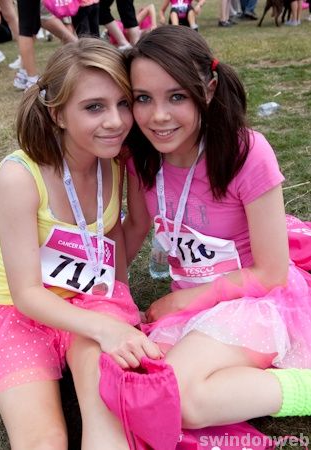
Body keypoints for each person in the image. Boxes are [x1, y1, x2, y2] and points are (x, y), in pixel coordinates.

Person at [123, 25, 311, 429]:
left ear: (207, 90)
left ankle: (303, 389)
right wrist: (95, 289)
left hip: (257, 300)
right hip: (195, 305)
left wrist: (182, 302)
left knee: (179, 400)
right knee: (148, 386)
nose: (158, 116)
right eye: (143, 98)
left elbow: (272, 272)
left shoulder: (246, 152)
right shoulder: (140, 157)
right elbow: (135, 227)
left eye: (177, 96)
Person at [0, 37, 161, 449]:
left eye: (123, 103)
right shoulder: (19, 176)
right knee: (44, 440)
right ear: (58, 113)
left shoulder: (114, 162)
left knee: (109, 424)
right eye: (94, 107)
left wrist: (117, 300)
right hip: (16, 313)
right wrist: (106, 329)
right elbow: (26, 294)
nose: (116, 121)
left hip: (90, 302)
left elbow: (111, 234)